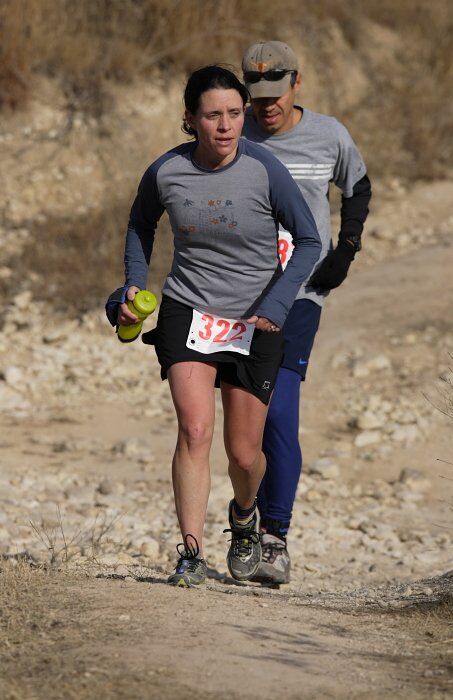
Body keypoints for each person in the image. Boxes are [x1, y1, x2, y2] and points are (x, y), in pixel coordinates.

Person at [107, 65, 322, 587]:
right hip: (189, 309)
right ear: (190, 119)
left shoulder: (265, 168)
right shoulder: (166, 172)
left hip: (255, 320)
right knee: (195, 429)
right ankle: (190, 552)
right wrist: (135, 285)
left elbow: (310, 241)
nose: (226, 126)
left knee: (245, 454)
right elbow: (140, 224)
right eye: (213, 115)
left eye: (234, 114)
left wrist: (275, 304)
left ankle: (245, 516)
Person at [241, 41, 372, 584]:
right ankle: (241, 521)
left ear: (298, 84)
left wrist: (345, 251)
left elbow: (358, 187)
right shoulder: (233, 130)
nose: (266, 105)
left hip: (299, 298)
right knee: (241, 423)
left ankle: (274, 537)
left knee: (277, 412)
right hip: (236, 296)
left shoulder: (329, 134)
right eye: (257, 94)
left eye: (276, 94)